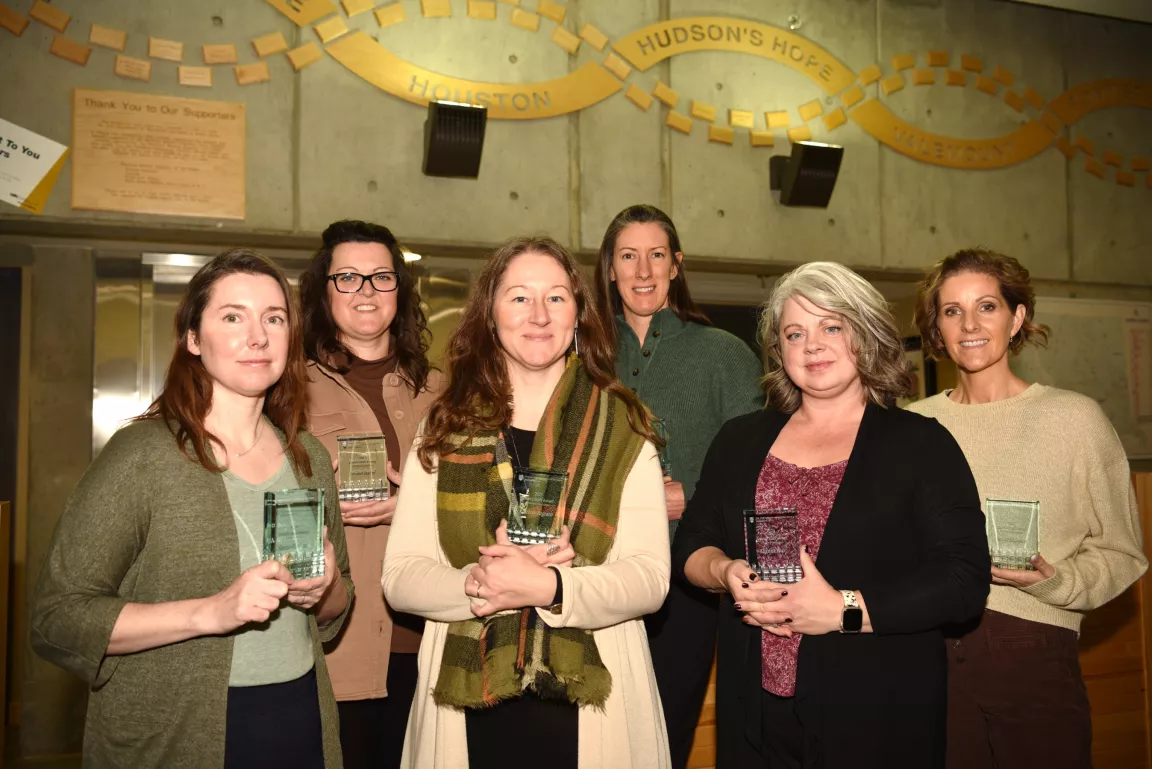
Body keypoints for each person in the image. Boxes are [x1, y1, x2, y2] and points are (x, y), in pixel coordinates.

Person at [31, 249, 353, 769]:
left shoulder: (308, 455)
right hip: (179, 731)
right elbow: (57, 618)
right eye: (233, 317)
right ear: (193, 339)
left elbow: (338, 605)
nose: (258, 336)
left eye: (274, 318)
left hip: (298, 718)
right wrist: (211, 612)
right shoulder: (142, 455)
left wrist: (326, 589)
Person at [672, 261, 991, 768]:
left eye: (832, 327)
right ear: (779, 352)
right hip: (753, 713)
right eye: (794, 333)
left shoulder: (921, 444)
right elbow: (692, 542)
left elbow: (963, 581)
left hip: (875, 716)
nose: (812, 345)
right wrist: (726, 572)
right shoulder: (739, 440)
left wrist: (843, 610)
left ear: (864, 335)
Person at [381, 235, 672, 769]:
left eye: (557, 298)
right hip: (467, 694)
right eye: (518, 297)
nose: (539, 314)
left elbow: (650, 578)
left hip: (591, 694)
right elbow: (399, 575)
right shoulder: (444, 428)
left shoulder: (625, 426)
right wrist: (480, 583)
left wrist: (552, 586)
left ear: (579, 313)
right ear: (489, 315)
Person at [908, 247, 1148, 769]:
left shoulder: (1074, 419)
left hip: (1034, 653)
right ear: (937, 327)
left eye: (987, 307)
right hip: (928, 658)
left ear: (1017, 318)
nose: (970, 324)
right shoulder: (912, 426)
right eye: (952, 311)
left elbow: (1122, 551)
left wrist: (1052, 581)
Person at [593, 203, 764, 769]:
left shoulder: (725, 354)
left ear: (676, 265)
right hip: (594, 569)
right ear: (610, 268)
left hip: (686, 581)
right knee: (597, 733)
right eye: (628, 256)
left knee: (664, 731)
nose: (643, 270)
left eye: (656, 255)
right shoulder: (582, 356)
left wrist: (689, 496)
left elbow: (760, 469)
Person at [299, 220, 445, 769]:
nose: (366, 291)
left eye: (382, 277)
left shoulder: (441, 389)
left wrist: (416, 505)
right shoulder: (285, 388)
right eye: (348, 277)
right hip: (337, 647)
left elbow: (479, 501)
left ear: (401, 292)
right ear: (323, 290)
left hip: (432, 640)